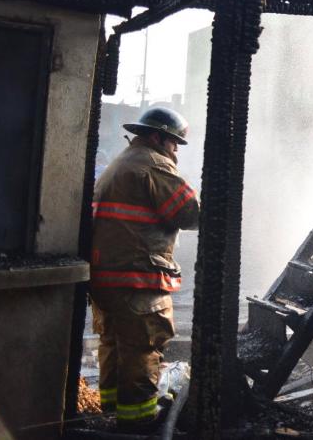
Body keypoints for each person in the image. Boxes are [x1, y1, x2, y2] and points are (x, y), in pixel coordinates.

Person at [90, 107, 200, 429]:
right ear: (157, 137)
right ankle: (139, 421)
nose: (176, 150)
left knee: (113, 344)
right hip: (137, 275)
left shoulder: (120, 163)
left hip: (108, 277)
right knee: (143, 346)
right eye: (174, 143)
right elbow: (189, 212)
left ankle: (112, 411)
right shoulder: (154, 165)